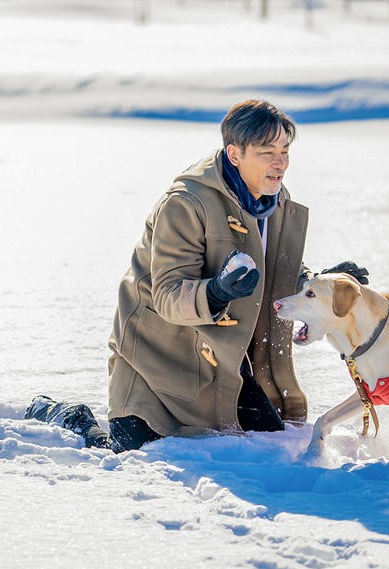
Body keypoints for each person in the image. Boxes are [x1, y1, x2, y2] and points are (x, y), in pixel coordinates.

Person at [27, 99, 367, 453]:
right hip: (158, 360)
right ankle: (71, 416)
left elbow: (270, 268)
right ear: (235, 155)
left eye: (284, 150)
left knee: (269, 443)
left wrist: (317, 283)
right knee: (131, 452)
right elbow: (168, 295)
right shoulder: (185, 204)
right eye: (267, 152)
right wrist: (218, 292)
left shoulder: (272, 199)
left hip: (225, 362)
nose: (280, 162)